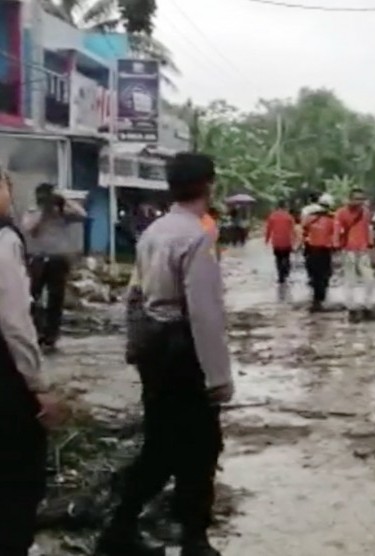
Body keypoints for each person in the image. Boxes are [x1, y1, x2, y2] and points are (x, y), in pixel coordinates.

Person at [96, 153, 233, 556]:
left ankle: (122, 527)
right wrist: (219, 377)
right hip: (183, 349)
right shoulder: (197, 235)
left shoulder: (154, 231)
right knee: (202, 446)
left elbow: (135, 295)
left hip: (156, 349)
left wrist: (135, 347)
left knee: (162, 442)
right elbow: (204, 312)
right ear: (209, 184)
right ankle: (193, 537)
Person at [0, 169, 63, 556]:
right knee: (18, 472)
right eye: (4, 183)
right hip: (5, 375)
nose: (9, 189)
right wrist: (37, 386)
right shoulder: (5, 240)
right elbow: (13, 321)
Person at [22, 182, 87, 352]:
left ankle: (51, 335)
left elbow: (82, 214)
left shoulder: (62, 212)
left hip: (58, 258)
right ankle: (36, 331)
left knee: (56, 299)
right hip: (38, 257)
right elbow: (28, 228)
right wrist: (43, 212)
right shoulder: (33, 211)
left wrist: (64, 200)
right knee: (33, 296)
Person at [335, 187, 374, 321]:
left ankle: (367, 304)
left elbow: (368, 228)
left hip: (363, 250)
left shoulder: (365, 212)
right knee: (349, 278)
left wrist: (370, 243)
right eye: (357, 199)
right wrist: (336, 245)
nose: (359, 202)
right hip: (348, 249)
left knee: (369, 278)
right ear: (350, 199)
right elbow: (337, 230)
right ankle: (350, 304)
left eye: (362, 199)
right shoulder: (341, 213)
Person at [302, 193, 336, 312]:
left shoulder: (310, 217)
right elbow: (336, 236)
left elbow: (304, 230)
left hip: (312, 250)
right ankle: (320, 298)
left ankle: (317, 299)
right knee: (324, 275)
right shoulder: (332, 219)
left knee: (315, 275)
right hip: (324, 251)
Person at [265, 200, 297, 284]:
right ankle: (286, 272)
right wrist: (295, 241)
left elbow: (268, 229)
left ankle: (280, 276)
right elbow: (293, 230)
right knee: (286, 257)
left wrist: (267, 240)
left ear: (278, 206)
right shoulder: (289, 216)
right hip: (287, 241)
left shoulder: (272, 216)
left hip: (276, 242)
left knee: (278, 259)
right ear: (285, 207)